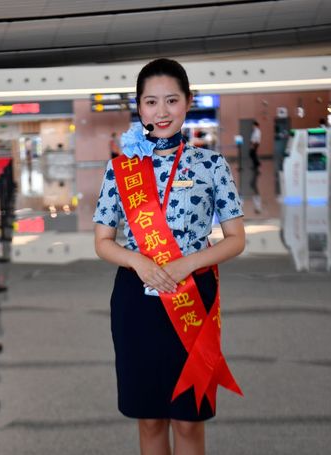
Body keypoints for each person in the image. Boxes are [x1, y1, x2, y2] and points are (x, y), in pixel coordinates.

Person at [93, 59, 245, 455]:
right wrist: (139, 262)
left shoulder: (211, 165)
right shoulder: (120, 169)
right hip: (136, 303)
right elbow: (103, 241)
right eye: (151, 102)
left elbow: (235, 239)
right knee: (149, 419)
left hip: (193, 295)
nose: (161, 112)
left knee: (189, 419)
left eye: (172, 100)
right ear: (139, 107)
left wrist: (185, 264)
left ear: (188, 102)